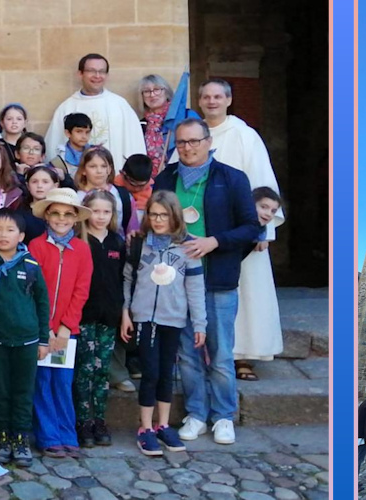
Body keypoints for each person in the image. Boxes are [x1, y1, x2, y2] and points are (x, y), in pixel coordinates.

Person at [156, 119, 263, 446]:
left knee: (219, 352)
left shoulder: (231, 178)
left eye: (194, 141)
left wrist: (214, 242)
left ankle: (224, 416)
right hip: (176, 280)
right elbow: (156, 223)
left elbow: (250, 228)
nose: (188, 148)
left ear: (207, 141)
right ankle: (197, 414)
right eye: (182, 142)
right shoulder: (165, 178)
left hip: (216, 279)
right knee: (187, 352)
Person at [199, 80, 288, 379]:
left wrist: (263, 230)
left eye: (217, 96)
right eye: (206, 97)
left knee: (246, 291)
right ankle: (206, 350)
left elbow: (264, 184)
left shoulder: (245, 135)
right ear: (200, 101)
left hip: (242, 229)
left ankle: (243, 356)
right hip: (202, 230)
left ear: (228, 99)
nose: (212, 102)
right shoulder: (192, 134)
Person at [123, 191, 205, 456]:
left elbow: (195, 288)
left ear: (175, 216)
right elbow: (127, 280)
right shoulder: (139, 244)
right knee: (150, 372)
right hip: (145, 318)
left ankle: (163, 424)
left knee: (168, 373)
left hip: (174, 318)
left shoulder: (188, 247)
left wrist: (200, 323)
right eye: (153, 214)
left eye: (164, 215)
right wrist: (126, 312)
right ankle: (145, 427)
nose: (158, 220)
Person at [0, 212, 50, 469]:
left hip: (27, 341)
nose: (3, 235)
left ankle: (21, 438)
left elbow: (42, 303)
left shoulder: (30, 265)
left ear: (21, 236)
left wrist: (42, 339)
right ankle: (4, 437)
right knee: (1, 391)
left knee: (23, 391)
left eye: (9, 230)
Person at [29, 188, 94, 459]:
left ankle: (67, 434)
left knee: (63, 382)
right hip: (42, 328)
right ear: (46, 216)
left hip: (68, 331)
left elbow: (82, 290)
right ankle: (48, 436)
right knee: (42, 381)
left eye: (68, 214)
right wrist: (47, 326)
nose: (61, 219)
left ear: (76, 218)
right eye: (55, 213)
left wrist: (67, 325)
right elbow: (34, 288)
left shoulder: (81, 249)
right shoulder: (36, 246)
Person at [75, 190, 128, 448]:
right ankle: (83, 419)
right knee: (84, 369)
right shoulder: (79, 241)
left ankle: (100, 419)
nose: (100, 216)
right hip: (84, 316)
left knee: (102, 369)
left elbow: (123, 280)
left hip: (109, 316)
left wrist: (124, 312)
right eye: (96, 211)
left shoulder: (117, 243)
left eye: (106, 212)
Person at [45, 54, 147, 162]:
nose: (97, 76)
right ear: (80, 74)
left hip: (115, 174)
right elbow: (53, 149)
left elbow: (135, 145)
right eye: (91, 71)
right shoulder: (67, 108)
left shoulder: (120, 105)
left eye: (102, 71)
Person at [139, 74, 198, 176]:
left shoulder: (186, 116)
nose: (152, 95)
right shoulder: (141, 124)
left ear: (166, 92)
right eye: (147, 91)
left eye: (157, 89)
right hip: (152, 182)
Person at [74, 147, 134, 231]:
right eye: (93, 166)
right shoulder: (75, 197)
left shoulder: (123, 195)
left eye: (103, 166)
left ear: (109, 169)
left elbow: (132, 229)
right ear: (83, 170)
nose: (99, 171)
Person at [50, 113, 95, 178]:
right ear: (68, 133)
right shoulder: (60, 160)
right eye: (79, 131)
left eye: (87, 132)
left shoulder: (96, 153)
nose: (84, 136)